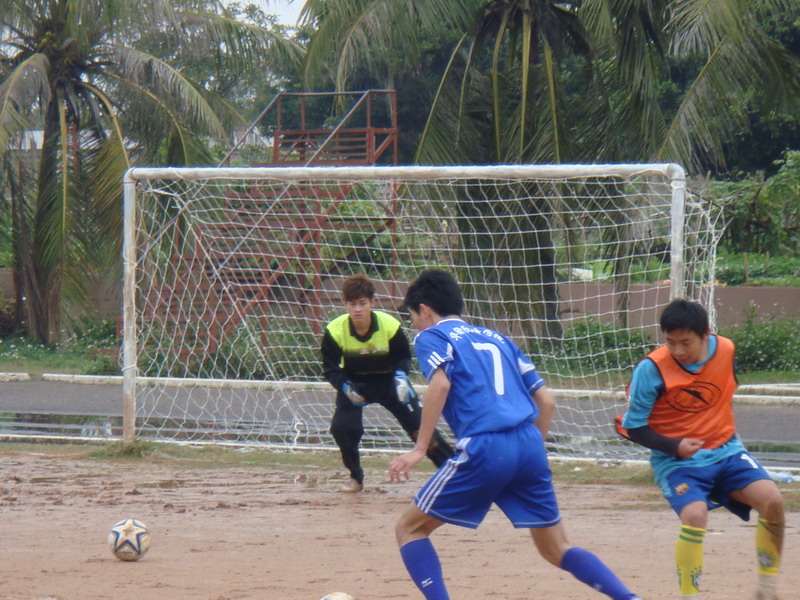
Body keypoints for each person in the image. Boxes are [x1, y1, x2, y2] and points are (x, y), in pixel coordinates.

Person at [388, 269, 642, 600]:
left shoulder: (432, 336)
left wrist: (421, 448)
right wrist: (529, 451)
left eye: (412, 317)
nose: (415, 325)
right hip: (529, 444)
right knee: (556, 548)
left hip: (486, 444)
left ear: (424, 310)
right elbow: (546, 402)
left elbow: (441, 384)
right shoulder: (498, 339)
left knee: (409, 528)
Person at [616, 299, 784, 600]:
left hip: (727, 451)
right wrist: (675, 445)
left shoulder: (726, 350)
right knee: (694, 516)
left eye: (685, 342)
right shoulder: (650, 369)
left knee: (772, 501)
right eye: (670, 342)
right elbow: (634, 427)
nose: (678, 350)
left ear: (705, 334)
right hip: (677, 462)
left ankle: (767, 589)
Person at [321, 273, 454, 492]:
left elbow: (402, 357)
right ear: (345, 305)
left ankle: (453, 475)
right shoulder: (334, 331)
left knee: (421, 428)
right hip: (354, 384)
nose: (357, 309)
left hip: (390, 382)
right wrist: (344, 386)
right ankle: (355, 477)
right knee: (342, 427)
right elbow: (330, 368)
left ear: (372, 303)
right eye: (352, 304)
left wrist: (401, 377)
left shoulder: (389, 325)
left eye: (362, 303)